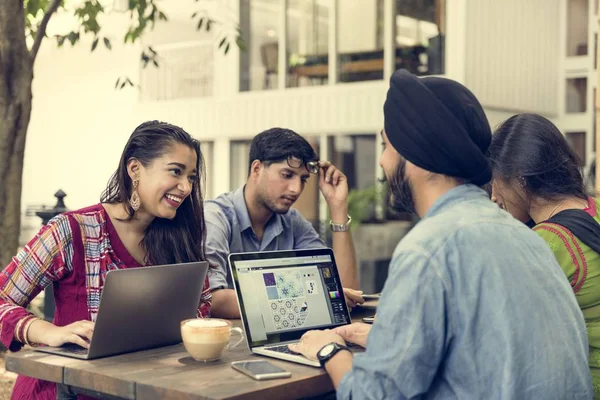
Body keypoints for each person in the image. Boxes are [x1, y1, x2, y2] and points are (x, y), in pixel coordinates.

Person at [287, 70, 593, 399]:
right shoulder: (527, 239)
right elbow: (487, 352)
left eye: (386, 145)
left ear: (416, 155)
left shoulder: (429, 249)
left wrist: (330, 351)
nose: (381, 161)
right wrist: (386, 340)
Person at [0, 121, 213, 400]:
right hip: (62, 391)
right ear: (135, 169)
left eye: (192, 177)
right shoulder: (72, 230)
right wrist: (48, 332)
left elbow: (202, 305)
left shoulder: (178, 238)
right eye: (176, 171)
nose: (185, 187)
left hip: (141, 389)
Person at [488, 113, 600, 397]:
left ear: (521, 179)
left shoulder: (548, 241)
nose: (493, 196)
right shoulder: (595, 207)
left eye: (496, 181)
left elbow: (502, 333)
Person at [205, 128, 362, 318]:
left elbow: (345, 294)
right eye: (287, 175)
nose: (296, 189)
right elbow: (213, 300)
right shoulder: (215, 218)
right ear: (257, 169)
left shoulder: (293, 223)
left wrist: (338, 208)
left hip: (286, 339)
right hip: (227, 344)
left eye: (303, 179)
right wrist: (308, 296)